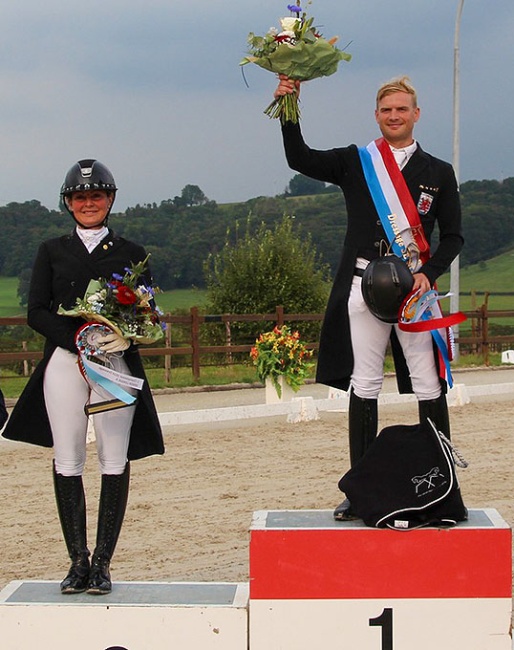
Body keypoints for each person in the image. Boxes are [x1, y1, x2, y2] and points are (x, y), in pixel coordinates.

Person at [273, 75, 463, 520]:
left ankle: (442, 481)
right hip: (362, 286)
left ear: (416, 114)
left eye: (402, 109)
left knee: (428, 384)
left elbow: (453, 236)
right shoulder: (357, 161)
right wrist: (288, 107)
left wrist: (429, 274)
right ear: (376, 115)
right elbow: (298, 157)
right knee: (365, 383)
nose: (394, 116)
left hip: (414, 290)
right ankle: (360, 488)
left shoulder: (438, 171)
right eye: (386, 110)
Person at [2, 159, 165, 593]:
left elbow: (147, 311)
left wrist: (126, 338)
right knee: (68, 458)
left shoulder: (131, 253)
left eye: (96, 196)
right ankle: (77, 561)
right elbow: (37, 310)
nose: (88, 203)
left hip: (114, 364)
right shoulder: (51, 250)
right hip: (65, 361)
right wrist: (78, 339)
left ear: (110, 200)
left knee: (114, 458)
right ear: (69, 203)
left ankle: (104, 563)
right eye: (80, 197)